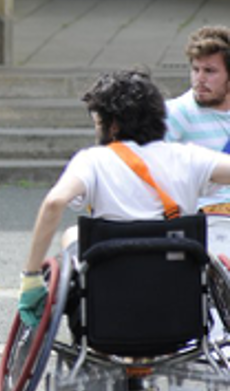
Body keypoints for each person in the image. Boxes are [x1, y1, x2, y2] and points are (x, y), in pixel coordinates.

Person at [19, 69, 230, 328]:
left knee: (73, 236)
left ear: (113, 125)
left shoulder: (92, 161)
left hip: (107, 313)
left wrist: (31, 277)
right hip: (178, 312)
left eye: (98, 123)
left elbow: (54, 203)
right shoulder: (187, 157)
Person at [164, 25, 230, 256]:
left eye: (210, 71)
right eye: (195, 69)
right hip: (205, 222)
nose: (199, 79)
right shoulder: (176, 113)